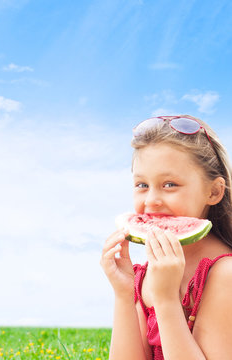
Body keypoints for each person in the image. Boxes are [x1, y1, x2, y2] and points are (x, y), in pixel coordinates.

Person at [100, 115, 232, 359]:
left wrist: (166, 300)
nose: (151, 200)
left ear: (214, 191)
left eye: (170, 184)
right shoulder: (152, 271)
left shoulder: (225, 275)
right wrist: (124, 294)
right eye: (142, 185)